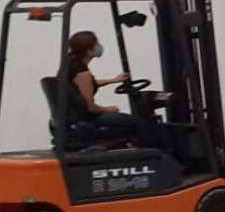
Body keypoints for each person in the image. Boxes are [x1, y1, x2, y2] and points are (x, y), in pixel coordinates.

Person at [61, 30, 180, 159]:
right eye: (96, 44)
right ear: (89, 51)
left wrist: (113, 80)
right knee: (140, 123)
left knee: (135, 122)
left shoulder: (71, 64)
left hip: (77, 117)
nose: (99, 46)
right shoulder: (82, 72)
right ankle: (162, 157)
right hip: (87, 118)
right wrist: (108, 109)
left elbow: (87, 85)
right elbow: (90, 107)